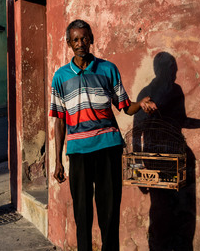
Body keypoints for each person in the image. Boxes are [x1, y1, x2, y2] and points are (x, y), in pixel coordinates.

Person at [49, 19, 157, 251]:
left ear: (92, 39)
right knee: (82, 214)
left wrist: (141, 104)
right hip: (78, 152)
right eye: (76, 39)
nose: (81, 43)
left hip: (108, 147)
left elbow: (125, 106)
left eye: (85, 38)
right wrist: (58, 161)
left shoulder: (108, 69)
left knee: (109, 213)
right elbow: (59, 120)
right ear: (69, 43)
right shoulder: (60, 77)